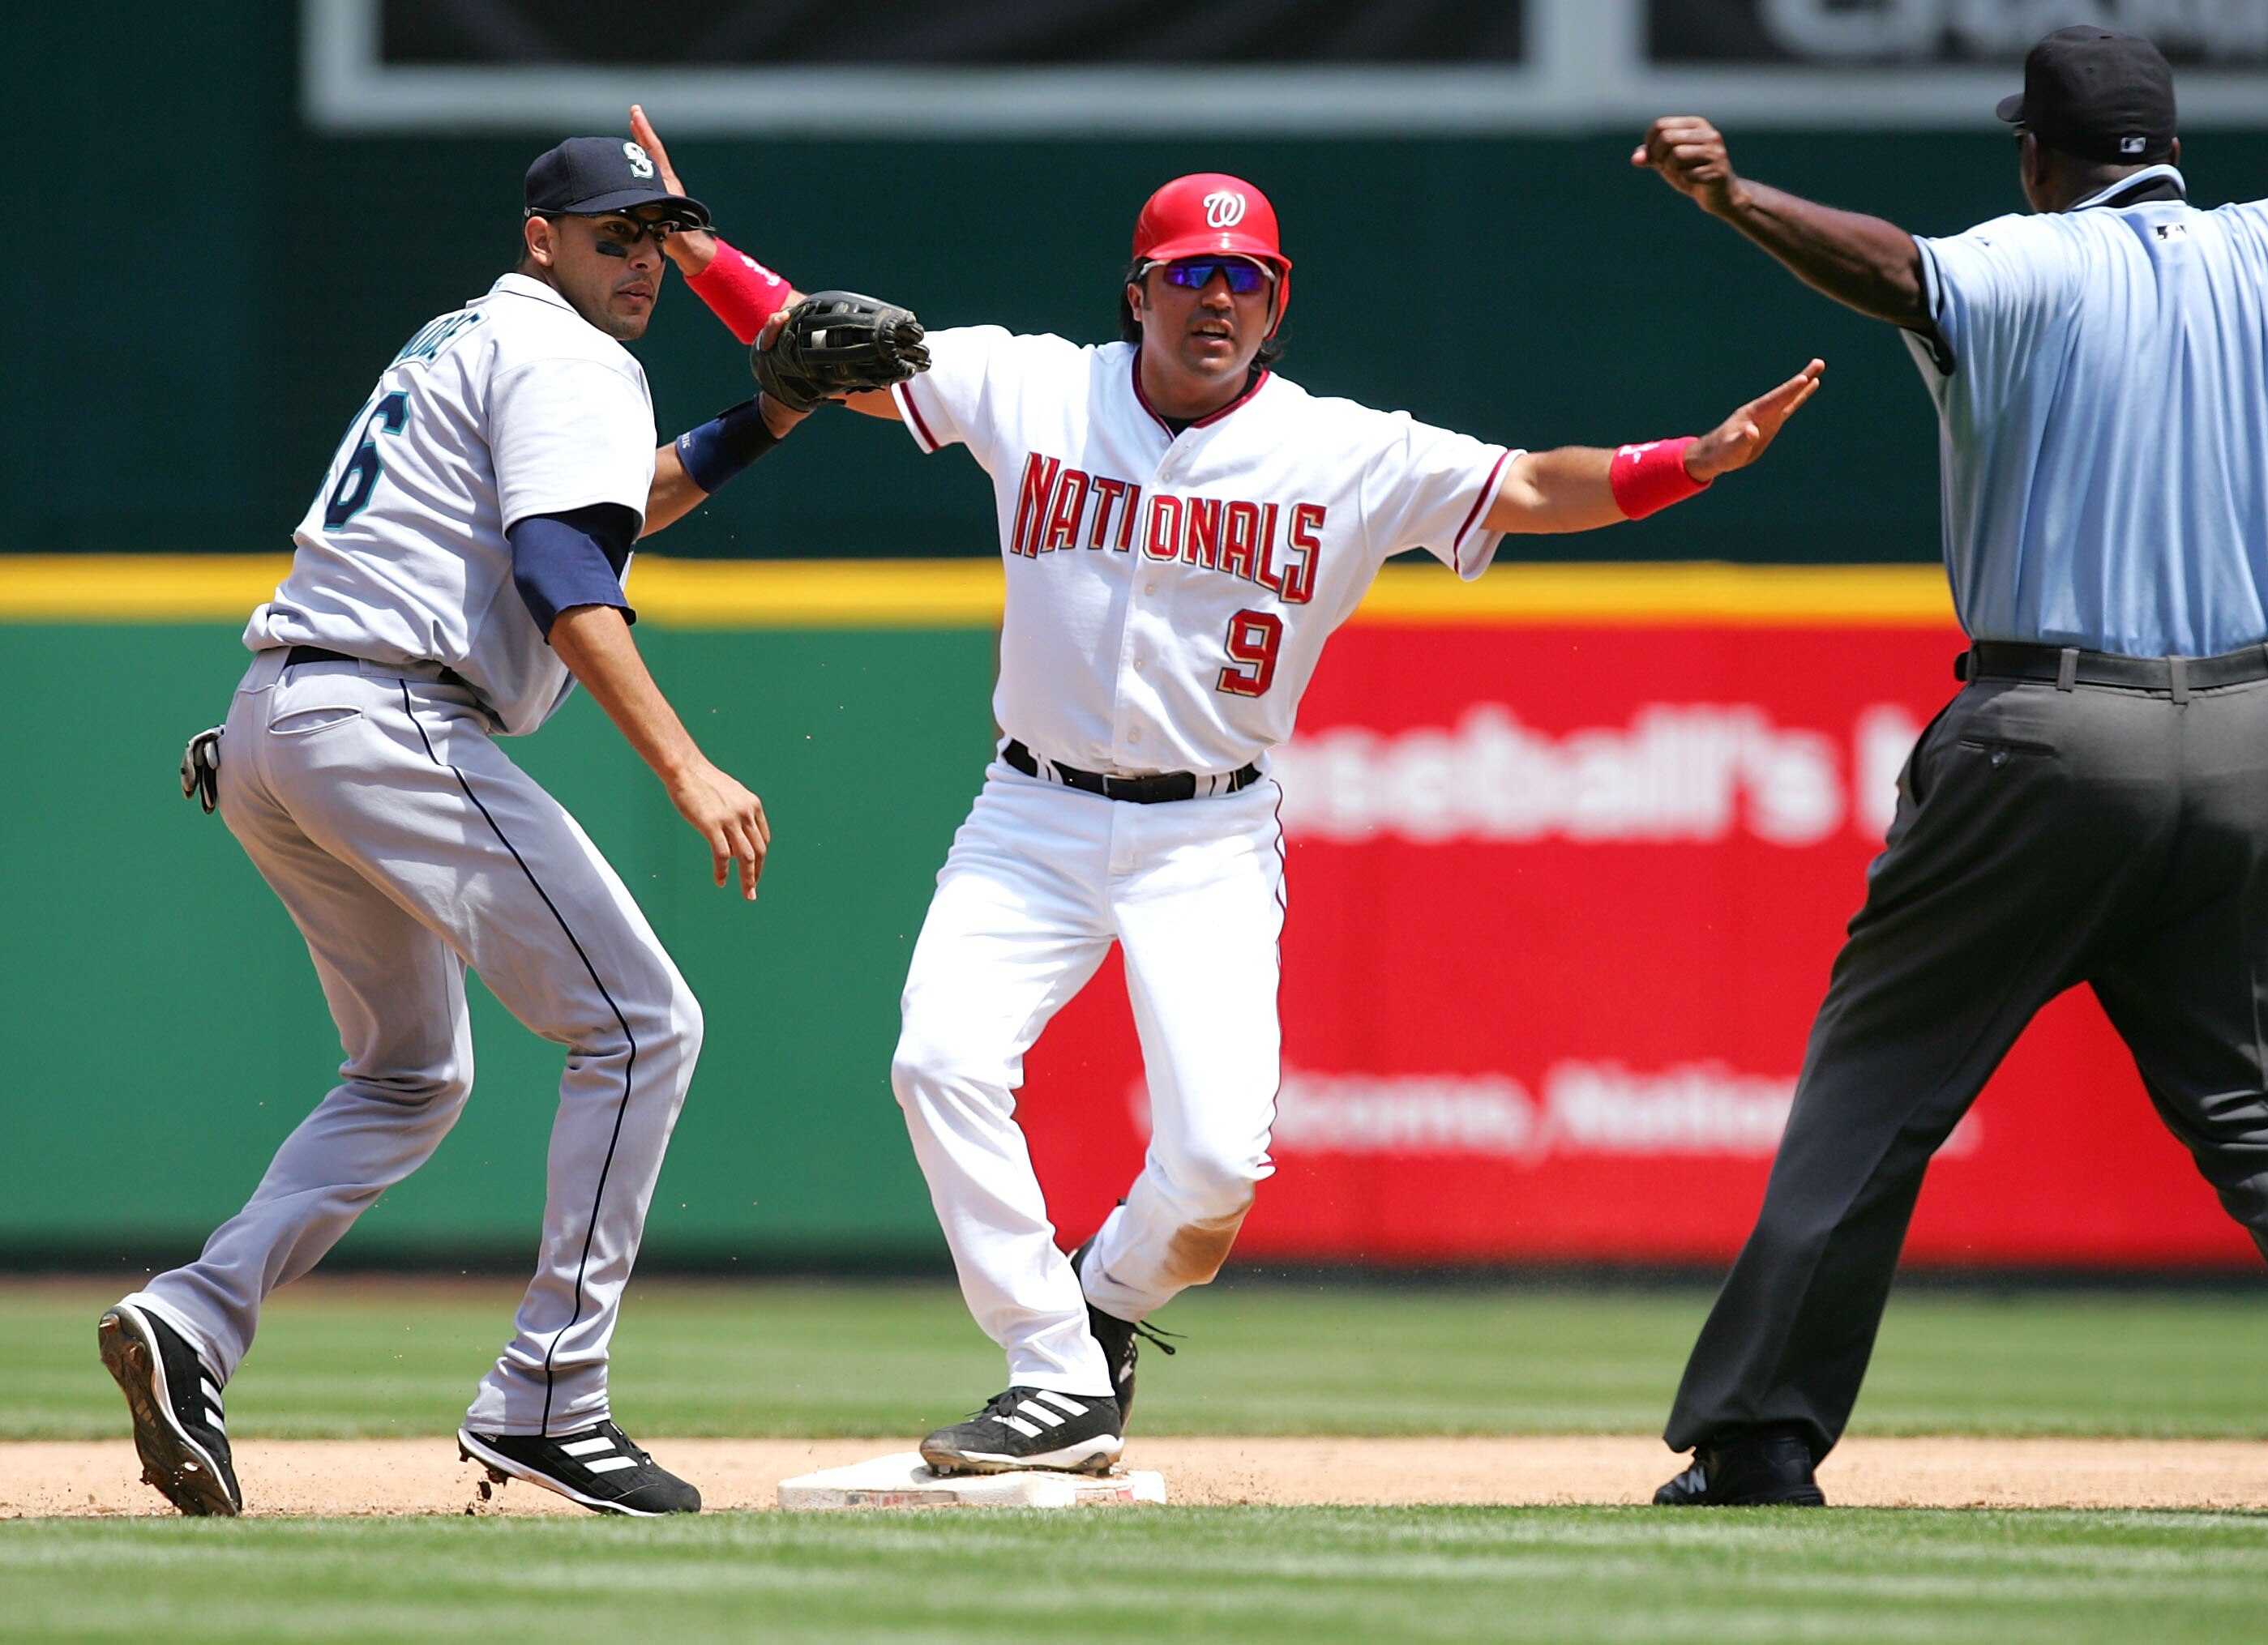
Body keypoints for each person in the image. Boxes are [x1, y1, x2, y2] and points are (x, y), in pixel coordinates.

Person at [627, 108, 1825, 1475]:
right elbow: (822, 350)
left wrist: (1698, 461)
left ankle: (1101, 1305)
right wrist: (699, 244)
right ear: (1136, 293)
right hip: (1032, 812)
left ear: (1277, 306)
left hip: (1209, 830)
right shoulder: (1032, 385)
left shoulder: (1344, 452)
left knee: (1212, 1169)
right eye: (1189, 274)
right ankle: (1053, 1373)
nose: (1215, 297)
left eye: (1242, 277)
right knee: (938, 1059)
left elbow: (1536, 485)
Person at [1633, 25, 2268, 1518]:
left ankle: (1759, 1433)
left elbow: (1893, 269)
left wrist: (1737, 198)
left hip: (2052, 734)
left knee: (1877, 1091)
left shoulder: (2025, 261)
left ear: (2037, 156)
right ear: (2176, 148)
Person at [99, 135, 832, 1518]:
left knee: (411, 1073)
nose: (641, 259)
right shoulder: (567, 355)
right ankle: (552, 1392)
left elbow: (598, 518)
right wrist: (683, 762)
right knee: (640, 1024)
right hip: (388, 716)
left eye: (659, 235)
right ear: (542, 236)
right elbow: (565, 569)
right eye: (613, 232)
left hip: (280, 716)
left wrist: (767, 419)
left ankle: (191, 1319)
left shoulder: (469, 336)